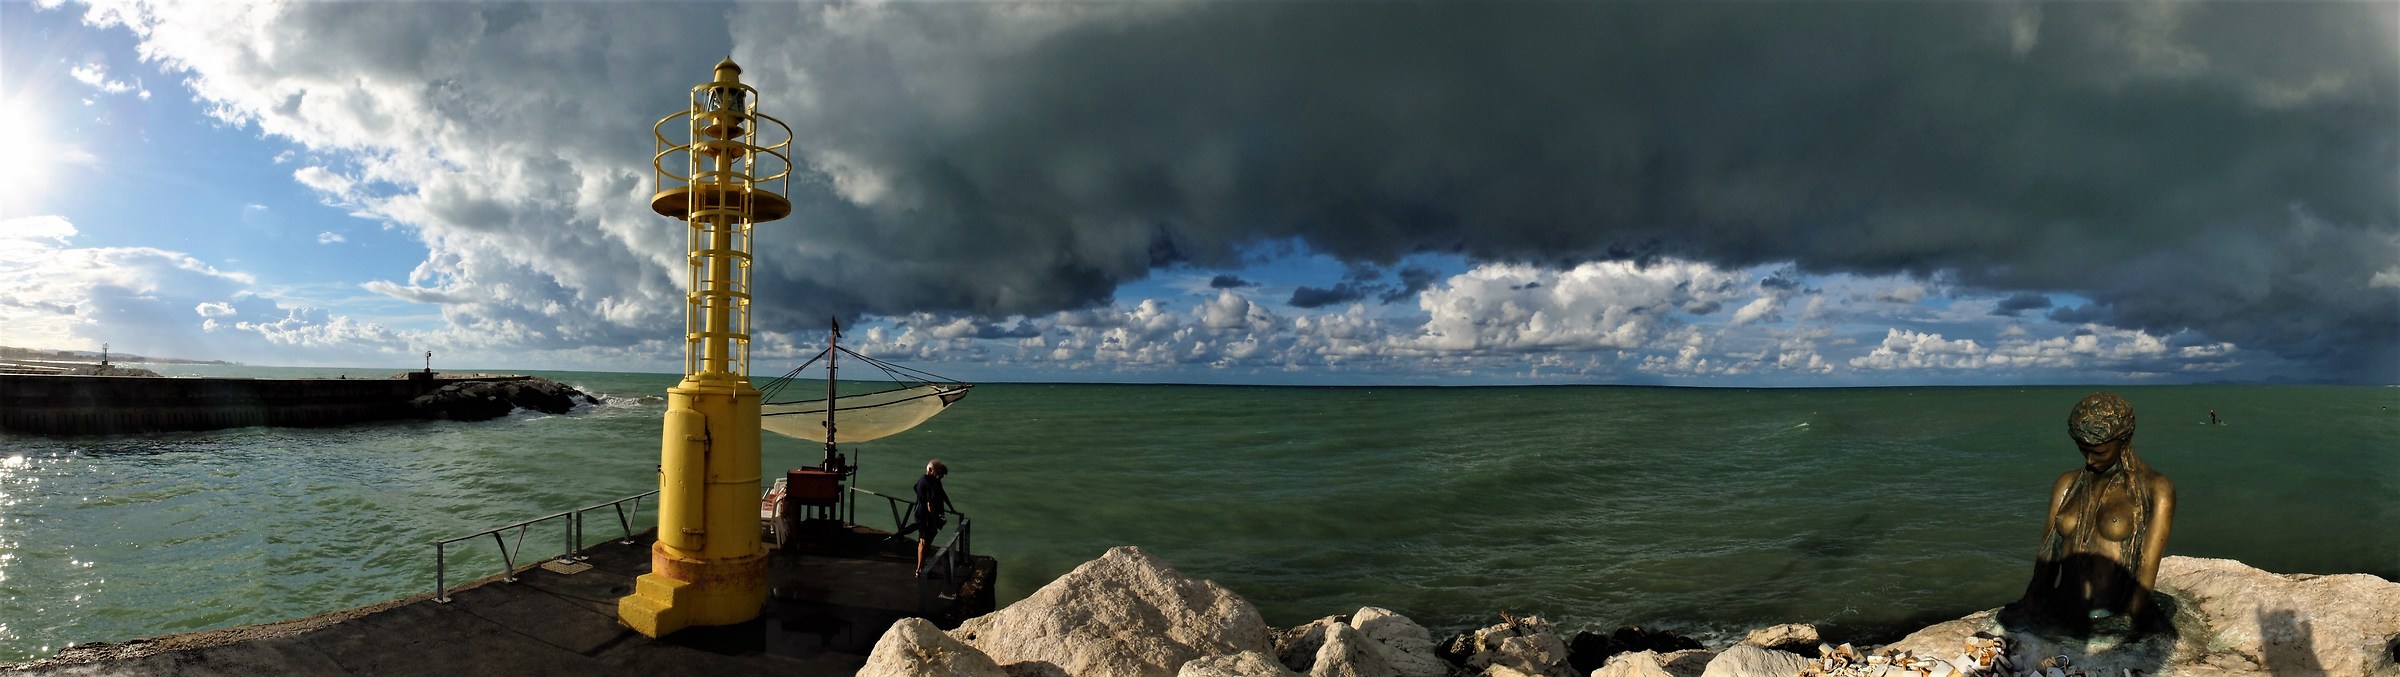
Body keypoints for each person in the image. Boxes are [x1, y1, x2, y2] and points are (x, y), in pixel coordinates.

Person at [2011, 392, 2177, 637]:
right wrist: (2033, 600)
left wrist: (2130, 617)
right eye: (2082, 449)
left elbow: (2147, 565)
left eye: (2098, 452)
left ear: (2123, 440)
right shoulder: (2067, 484)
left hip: (2111, 613)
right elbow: (2047, 554)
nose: (2089, 459)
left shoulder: (2156, 489)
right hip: (2063, 606)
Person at [913, 459, 954, 577]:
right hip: (925, 517)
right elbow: (929, 504)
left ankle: (922, 567)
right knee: (923, 542)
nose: (939, 474)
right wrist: (935, 520)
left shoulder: (934, 481)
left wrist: (951, 508)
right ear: (930, 470)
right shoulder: (926, 481)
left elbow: (943, 495)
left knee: (926, 542)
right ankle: (919, 570)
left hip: (928, 517)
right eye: (938, 471)